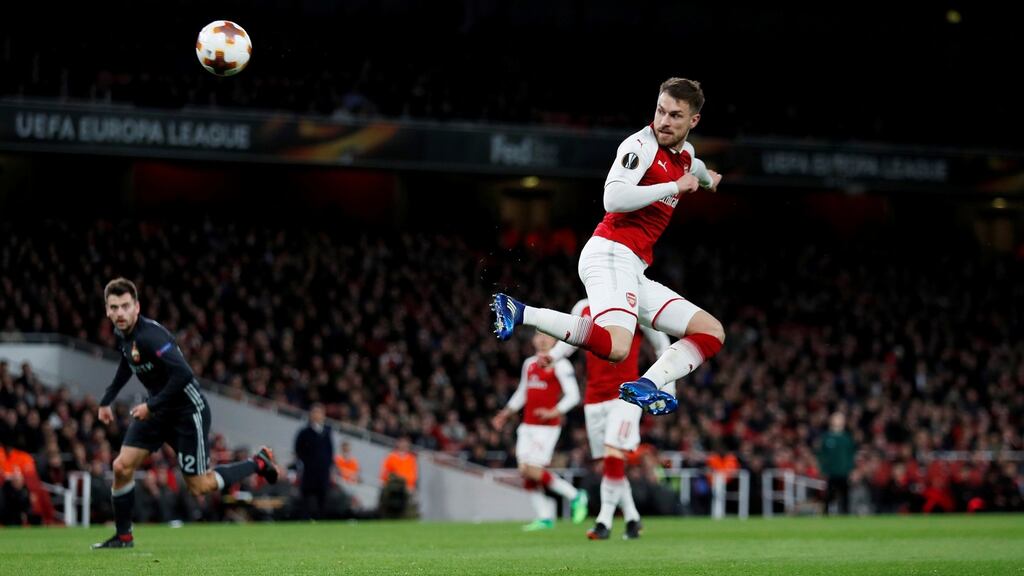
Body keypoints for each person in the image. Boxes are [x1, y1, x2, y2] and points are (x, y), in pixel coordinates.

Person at [492, 77, 725, 416]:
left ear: (694, 120)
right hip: (611, 251)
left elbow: (696, 167)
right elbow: (613, 198)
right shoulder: (640, 146)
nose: (663, 121)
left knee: (710, 331)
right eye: (660, 111)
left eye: (675, 115)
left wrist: (708, 179)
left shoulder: (685, 155)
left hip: (632, 267)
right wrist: (674, 185)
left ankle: (647, 384)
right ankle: (521, 311)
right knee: (617, 346)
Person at [92, 278, 279, 549]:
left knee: (199, 486)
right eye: (114, 307)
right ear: (107, 311)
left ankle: (258, 463)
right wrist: (106, 400)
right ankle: (123, 537)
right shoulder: (124, 335)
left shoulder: (150, 335)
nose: (120, 312)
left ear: (137, 307)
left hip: (186, 412)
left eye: (125, 306)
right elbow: (128, 363)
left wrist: (151, 406)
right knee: (121, 466)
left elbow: (184, 374)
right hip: (157, 411)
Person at [542, 298, 671, 539]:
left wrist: (666, 383)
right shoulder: (582, 307)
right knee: (609, 464)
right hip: (593, 398)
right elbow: (570, 339)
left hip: (626, 395)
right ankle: (633, 519)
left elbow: (662, 343)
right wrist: (553, 356)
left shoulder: (635, 304)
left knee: (613, 453)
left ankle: (604, 522)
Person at [492, 331, 588, 531]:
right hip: (527, 425)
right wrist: (506, 413)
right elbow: (522, 392)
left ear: (554, 340)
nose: (543, 339)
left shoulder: (560, 364)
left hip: (546, 428)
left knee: (533, 470)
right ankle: (544, 517)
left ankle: (575, 495)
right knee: (525, 472)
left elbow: (573, 396)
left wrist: (554, 411)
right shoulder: (529, 364)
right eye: (539, 336)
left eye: (547, 336)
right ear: (534, 340)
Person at [295, 403, 334, 520]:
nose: (317, 415)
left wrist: (328, 464)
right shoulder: (304, 432)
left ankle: (321, 520)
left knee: (323, 497)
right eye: (315, 412)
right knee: (306, 496)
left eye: (319, 413)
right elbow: (298, 449)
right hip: (309, 470)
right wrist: (307, 462)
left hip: (323, 471)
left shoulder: (327, 432)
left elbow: (330, 450)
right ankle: (305, 519)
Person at [817, 411, 856, 515]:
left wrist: (852, 470)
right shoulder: (826, 437)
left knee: (845, 496)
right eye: (837, 418)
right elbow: (821, 455)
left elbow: (851, 455)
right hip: (831, 472)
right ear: (831, 421)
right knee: (828, 495)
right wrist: (823, 470)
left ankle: (846, 516)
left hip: (844, 472)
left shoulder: (847, 438)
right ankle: (825, 515)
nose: (839, 421)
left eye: (841, 418)